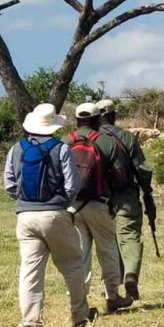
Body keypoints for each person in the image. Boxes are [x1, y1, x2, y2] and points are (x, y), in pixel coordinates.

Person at [4, 103, 94, 327]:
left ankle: (31, 321)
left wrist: (24, 199)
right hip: (55, 213)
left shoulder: (17, 148)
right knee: (73, 265)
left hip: (25, 216)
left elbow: (9, 185)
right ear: (53, 125)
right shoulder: (61, 148)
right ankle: (80, 316)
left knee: (30, 270)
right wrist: (61, 203)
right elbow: (72, 185)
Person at [67, 103, 134, 314]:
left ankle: (78, 301)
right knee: (107, 250)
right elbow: (119, 176)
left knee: (80, 253)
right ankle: (112, 297)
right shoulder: (106, 141)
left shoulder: (64, 142)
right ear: (97, 121)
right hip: (99, 204)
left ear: (77, 121)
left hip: (72, 207)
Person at [96, 98, 156, 300]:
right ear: (113, 115)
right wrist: (147, 192)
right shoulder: (127, 137)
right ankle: (131, 274)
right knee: (129, 236)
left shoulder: (92, 139)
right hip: (126, 195)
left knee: (107, 242)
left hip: (98, 199)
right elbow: (141, 168)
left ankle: (111, 288)